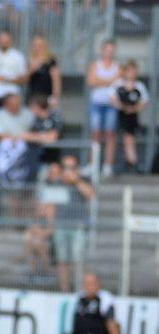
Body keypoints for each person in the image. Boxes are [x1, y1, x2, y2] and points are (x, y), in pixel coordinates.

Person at [52, 155, 95, 292]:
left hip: (78, 226)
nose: (68, 170)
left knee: (78, 260)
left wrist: (76, 181)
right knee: (62, 261)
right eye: (65, 167)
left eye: (72, 167)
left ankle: (81, 290)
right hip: (61, 225)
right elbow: (49, 203)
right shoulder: (57, 182)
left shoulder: (84, 180)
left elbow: (91, 194)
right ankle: (65, 291)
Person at [87, 39, 121, 178]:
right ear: (102, 50)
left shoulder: (118, 67)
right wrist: (109, 81)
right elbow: (91, 81)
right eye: (107, 49)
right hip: (97, 103)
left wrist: (101, 81)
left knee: (110, 135)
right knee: (96, 134)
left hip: (111, 105)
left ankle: (107, 166)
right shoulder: (96, 65)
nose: (109, 52)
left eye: (112, 49)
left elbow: (118, 83)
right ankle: (93, 164)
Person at [111, 60, 150, 174]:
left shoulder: (139, 86)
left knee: (130, 139)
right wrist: (123, 107)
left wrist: (132, 109)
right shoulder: (119, 85)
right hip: (119, 116)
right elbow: (112, 98)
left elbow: (144, 102)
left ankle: (132, 161)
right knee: (118, 139)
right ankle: (123, 162)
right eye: (129, 71)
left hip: (131, 117)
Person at [21, 95, 63, 165]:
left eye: (33, 106)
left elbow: (52, 137)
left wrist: (35, 137)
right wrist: (44, 136)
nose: (31, 109)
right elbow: (25, 136)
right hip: (37, 157)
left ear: (38, 106)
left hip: (53, 158)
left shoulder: (54, 116)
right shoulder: (35, 120)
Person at [24, 35, 61, 106]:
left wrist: (56, 97)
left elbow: (56, 81)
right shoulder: (29, 61)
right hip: (33, 96)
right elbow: (25, 79)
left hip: (46, 96)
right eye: (35, 45)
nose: (38, 47)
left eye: (40, 45)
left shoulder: (51, 61)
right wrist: (32, 69)